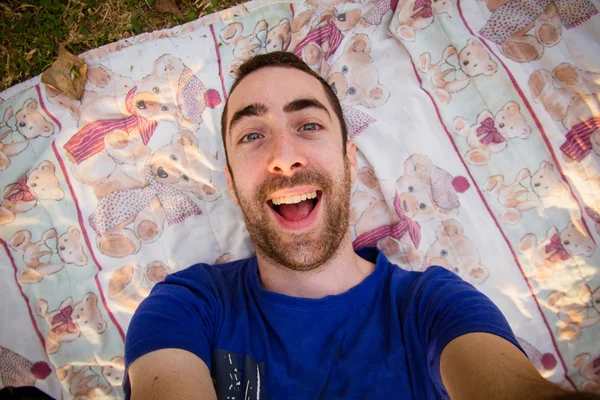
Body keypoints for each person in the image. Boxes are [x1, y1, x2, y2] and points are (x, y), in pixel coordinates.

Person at [123, 52, 594, 400]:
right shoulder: (186, 307)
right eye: (252, 135)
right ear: (230, 183)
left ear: (349, 161)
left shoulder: (434, 306)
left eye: (308, 125)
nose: (284, 157)